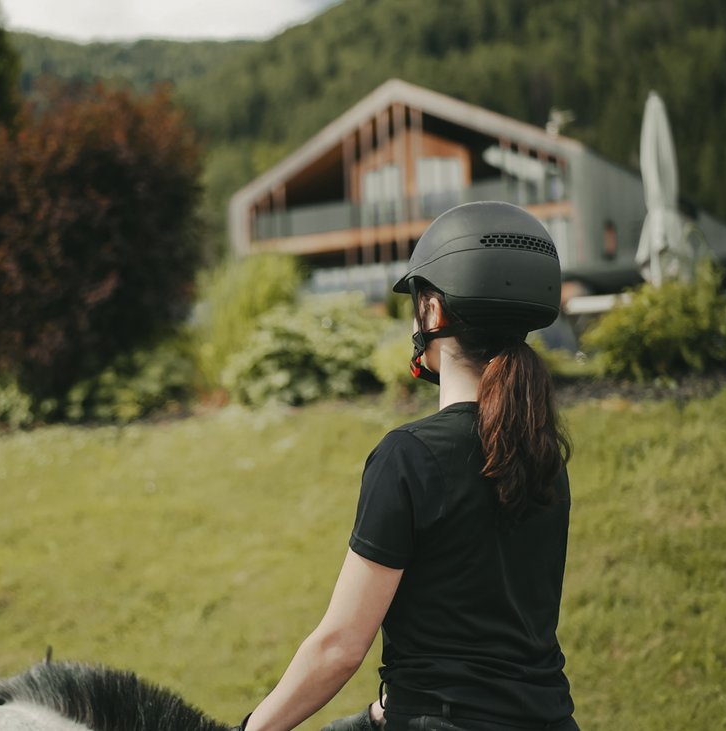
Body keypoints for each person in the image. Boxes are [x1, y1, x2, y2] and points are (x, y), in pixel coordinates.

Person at [233, 201, 579, 731]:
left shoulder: (409, 456)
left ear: (434, 312)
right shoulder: (544, 457)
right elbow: (489, 636)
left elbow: (340, 647)